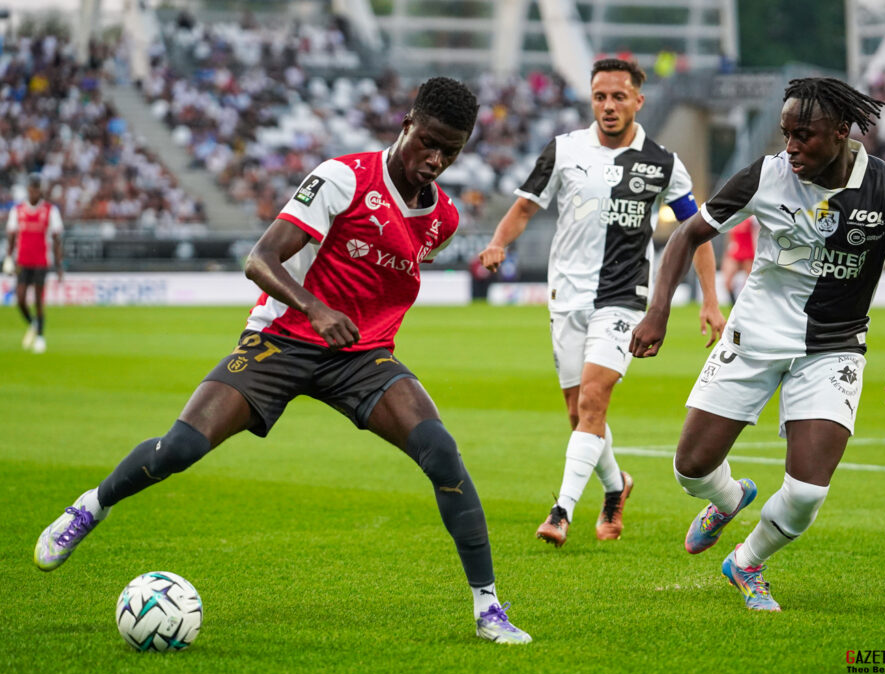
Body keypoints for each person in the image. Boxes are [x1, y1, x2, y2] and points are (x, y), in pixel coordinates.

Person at [33, 77, 531, 644]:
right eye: (429, 142)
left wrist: (358, 329)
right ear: (407, 124)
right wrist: (317, 310)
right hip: (284, 338)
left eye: (452, 150)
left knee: (441, 452)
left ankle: (488, 608)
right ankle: (90, 507)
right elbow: (260, 259)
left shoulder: (441, 219)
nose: (436, 160)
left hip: (360, 356)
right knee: (181, 448)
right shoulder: (343, 178)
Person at [629, 77, 885, 611]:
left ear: (842, 132)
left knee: (807, 493)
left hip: (833, 349)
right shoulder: (767, 175)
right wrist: (658, 312)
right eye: (786, 134)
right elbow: (687, 234)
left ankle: (747, 562)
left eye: (805, 136)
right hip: (753, 338)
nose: (790, 147)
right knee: (690, 468)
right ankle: (728, 498)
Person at [479, 58, 725, 548]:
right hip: (566, 294)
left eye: (618, 96)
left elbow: (696, 234)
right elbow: (526, 204)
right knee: (578, 414)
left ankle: (561, 511)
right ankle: (617, 486)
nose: (608, 106)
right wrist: (498, 242)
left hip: (625, 296)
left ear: (638, 100)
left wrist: (710, 302)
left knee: (594, 399)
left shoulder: (663, 163)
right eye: (599, 97)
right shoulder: (564, 150)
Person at [3, 173, 64, 353]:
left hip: (41, 261)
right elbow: (12, 236)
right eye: (32, 187)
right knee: (20, 299)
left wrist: (59, 266)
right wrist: (8, 257)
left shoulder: (50, 211)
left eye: (37, 188)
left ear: (40, 190)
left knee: (38, 300)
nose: (34, 191)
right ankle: (33, 323)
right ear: (28, 189)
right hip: (22, 260)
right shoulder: (18, 210)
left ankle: (40, 337)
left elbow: (56, 240)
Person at [720, 216, 757, 305]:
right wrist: (726, 256)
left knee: (750, 282)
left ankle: (748, 305)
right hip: (735, 252)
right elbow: (730, 239)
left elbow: (756, 235)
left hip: (749, 253)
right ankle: (734, 306)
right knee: (727, 281)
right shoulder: (732, 218)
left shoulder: (752, 219)